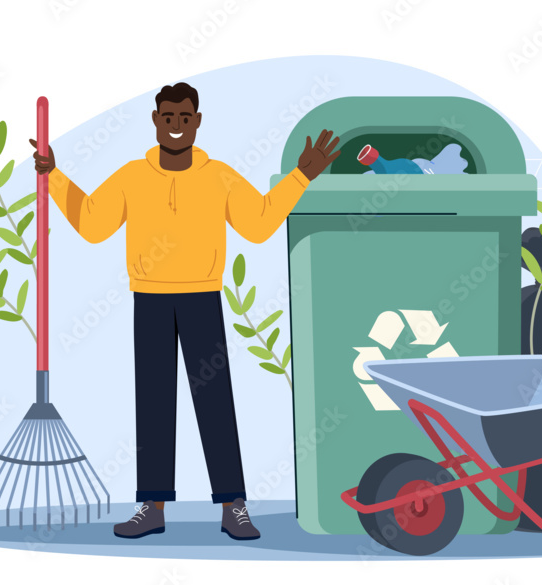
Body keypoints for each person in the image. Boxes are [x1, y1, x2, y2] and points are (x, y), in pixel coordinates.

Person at [31, 82, 340, 540]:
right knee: (153, 404)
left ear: (197, 122)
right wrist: (54, 175)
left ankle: (233, 505)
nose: (176, 126)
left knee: (215, 404)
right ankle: (152, 506)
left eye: (185, 118)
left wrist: (301, 176)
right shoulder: (133, 176)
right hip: (150, 299)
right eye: (168, 117)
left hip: (202, 299)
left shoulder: (219, 177)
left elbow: (257, 225)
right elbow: (93, 223)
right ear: (155, 121)